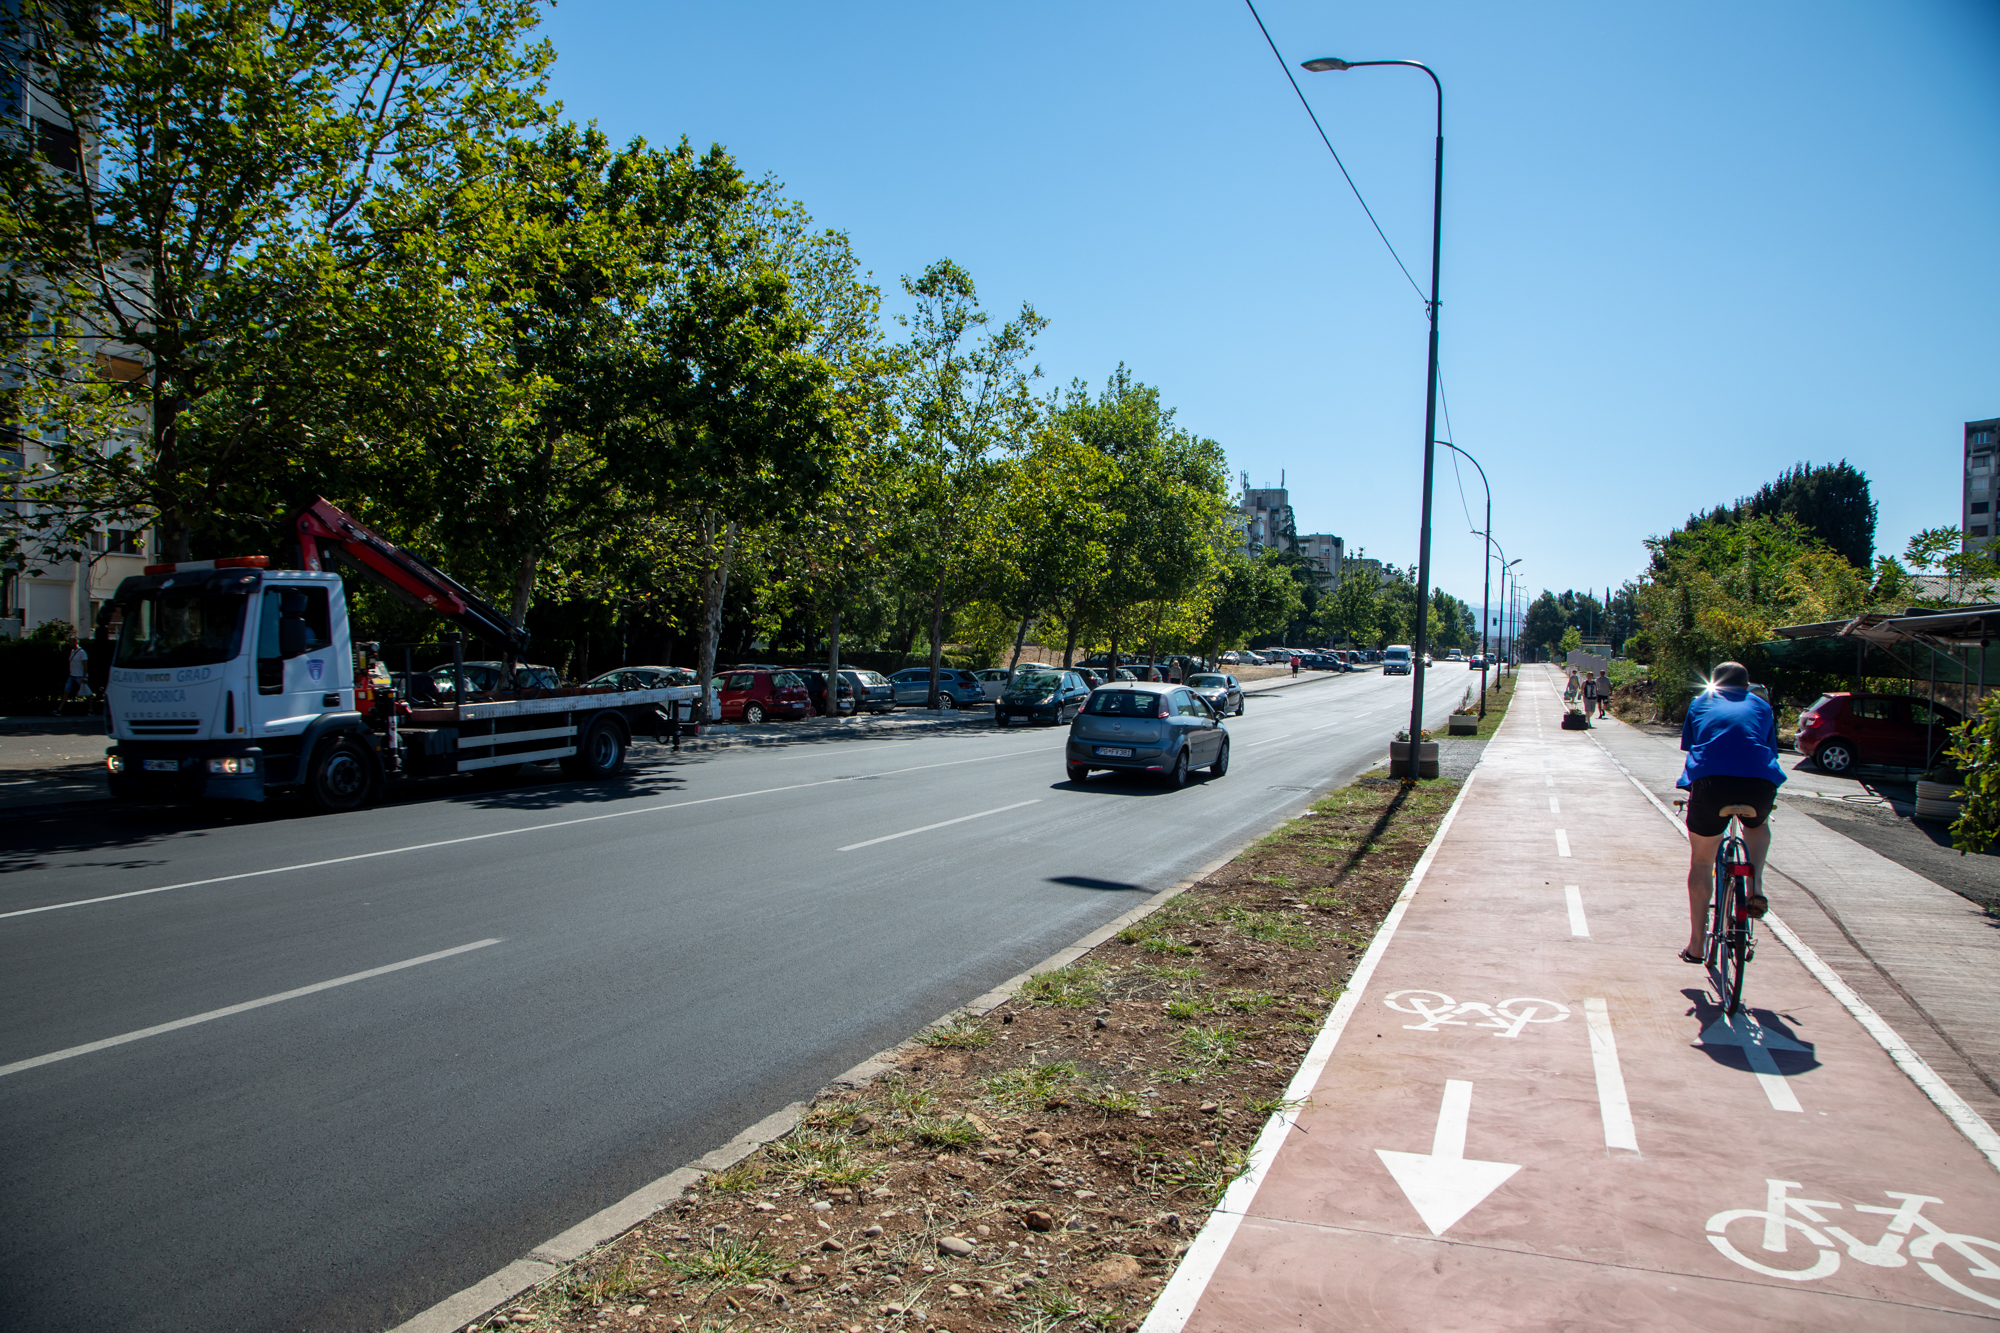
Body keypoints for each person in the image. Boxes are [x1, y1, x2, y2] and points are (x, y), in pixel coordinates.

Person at [1676, 661, 1785, 964]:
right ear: (1747, 685)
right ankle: (1755, 887)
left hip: (1712, 783)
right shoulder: (1762, 707)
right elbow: (1770, 749)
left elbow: (1692, 745)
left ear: (1713, 682)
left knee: (1701, 860)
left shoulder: (1701, 702)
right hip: (1759, 783)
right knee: (1758, 826)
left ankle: (1697, 945)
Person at [60, 634, 89, 715]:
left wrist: (84, 677)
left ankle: (91, 709)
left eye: (71, 642)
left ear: (76, 642)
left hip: (80, 676)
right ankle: (59, 709)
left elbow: (85, 665)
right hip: (72, 675)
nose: (69, 644)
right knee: (66, 691)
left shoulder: (82, 652)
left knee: (87, 693)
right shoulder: (72, 652)